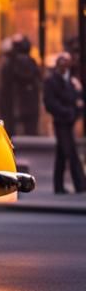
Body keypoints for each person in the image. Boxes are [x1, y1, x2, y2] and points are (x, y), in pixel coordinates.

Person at [43, 52, 86, 194]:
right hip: (61, 121)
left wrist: (75, 109)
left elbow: (77, 99)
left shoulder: (72, 81)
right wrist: (66, 111)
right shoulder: (51, 81)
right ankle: (80, 184)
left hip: (69, 120)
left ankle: (59, 186)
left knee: (62, 153)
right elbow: (50, 103)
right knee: (70, 152)